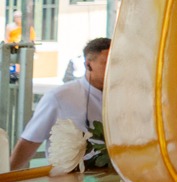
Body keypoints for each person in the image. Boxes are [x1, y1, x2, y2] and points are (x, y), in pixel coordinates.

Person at [9, 36, 109, 170]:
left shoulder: (130, 96)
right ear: (88, 65)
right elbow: (29, 142)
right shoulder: (59, 97)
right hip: (70, 181)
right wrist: (6, 178)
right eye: (108, 63)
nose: (116, 69)